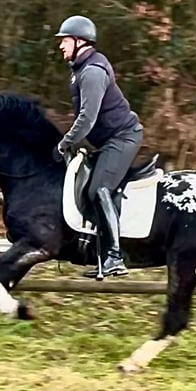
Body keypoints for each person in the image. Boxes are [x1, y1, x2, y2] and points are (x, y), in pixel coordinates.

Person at [53, 14, 144, 278]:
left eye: (64, 40)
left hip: (123, 138)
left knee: (100, 188)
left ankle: (114, 256)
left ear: (79, 41)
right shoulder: (81, 70)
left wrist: (65, 142)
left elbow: (87, 118)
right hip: (108, 140)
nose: (60, 46)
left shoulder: (92, 72)